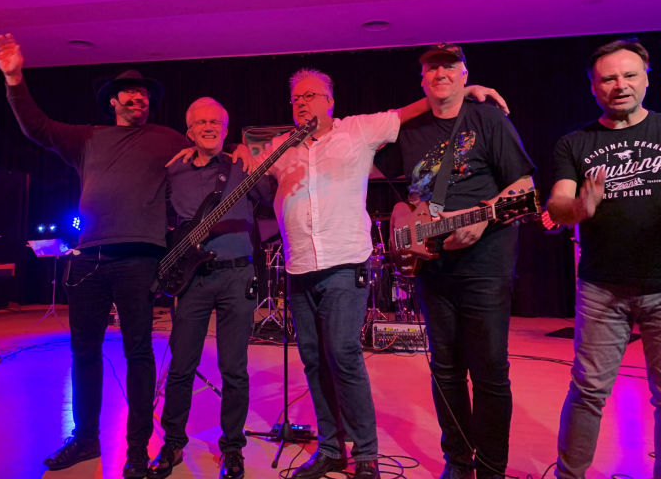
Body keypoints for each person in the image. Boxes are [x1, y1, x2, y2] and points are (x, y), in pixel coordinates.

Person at [259, 67, 510, 479]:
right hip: (299, 266)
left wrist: (463, 91)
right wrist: (232, 152)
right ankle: (330, 448)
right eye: (296, 98)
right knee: (313, 360)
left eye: (311, 95)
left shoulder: (356, 130)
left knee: (343, 354)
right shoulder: (281, 147)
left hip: (345, 264)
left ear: (330, 101)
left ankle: (365, 453)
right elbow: (245, 164)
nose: (302, 103)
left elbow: (408, 111)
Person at [0, 33, 188, 478]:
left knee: (139, 353)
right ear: (113, 101)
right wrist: (14, 78)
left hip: (140, 258)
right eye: (129, 93)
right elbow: (36, 127)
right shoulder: (88, 139)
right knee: (84, 351)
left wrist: (242, 152)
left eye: (144, 94)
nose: (138, 98)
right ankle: (85, 439)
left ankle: (137, 449)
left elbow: (206, 158)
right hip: (89, 259)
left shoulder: (167, 139)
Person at [374, 44, 535, 479]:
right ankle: (458, 462)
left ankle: (492, 468)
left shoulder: (488, 119)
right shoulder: (411, 129)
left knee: (489, 370)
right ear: (422, 79)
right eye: (432, 68)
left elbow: (523, 186)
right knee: (445, 371)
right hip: (433, 265)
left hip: (486, 263)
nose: (440, 73)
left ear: (464, 74)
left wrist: (482, 220)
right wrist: (405, 219)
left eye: (450, 66)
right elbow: (378, 172)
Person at [548, 39, 661, 479]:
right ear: (593, 87)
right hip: (601, 288)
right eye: (609, 78)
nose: (620, 85)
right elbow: (558, 204)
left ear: (646, 78)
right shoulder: (575, 143)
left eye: (629, 75)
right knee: (588, 391)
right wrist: (579, 207)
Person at [147, 97, 271, 479]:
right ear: (189, 131)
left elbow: (269, 199)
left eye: (215, 121)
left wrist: (249, 156)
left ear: (225, 127)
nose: (209, 127)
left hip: (237, 277)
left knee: (234, 369)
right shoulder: (174, 171)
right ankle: (173, 443)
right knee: (181, 366)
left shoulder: (241, 165)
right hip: (193, 279)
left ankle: (232, 448)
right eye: (201, 122)